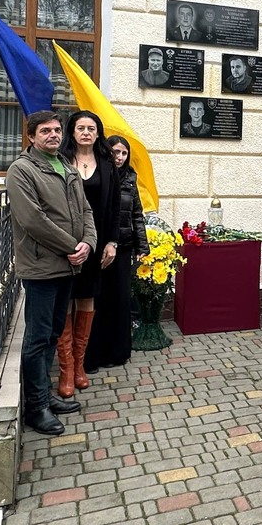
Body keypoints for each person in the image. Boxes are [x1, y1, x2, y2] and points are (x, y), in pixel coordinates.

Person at [5, 110, 94, 435]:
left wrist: (88, 242)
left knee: (54, 333)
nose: (54, 135)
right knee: (38, 337)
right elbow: (33, 219)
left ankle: (45, 397)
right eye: (45, 131)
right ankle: (36, 407)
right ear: (31, 136)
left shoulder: (66, 166)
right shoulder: (22, 170)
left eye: (57, 130)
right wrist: (72, 245)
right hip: (42, 266)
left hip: (67, 266)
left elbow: (85, 209)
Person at [58, 111, 120, 396]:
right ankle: (66, 370)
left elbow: (115, 207)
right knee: (65, 300)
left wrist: (112, 242)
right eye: (80, 127)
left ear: (98, 133)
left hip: (96, 244)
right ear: (72, 132)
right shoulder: (60, 160)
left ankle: (80, 366)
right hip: (64, 243)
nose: (86, 132)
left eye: (91, 128)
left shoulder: (107, 164)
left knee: (86, 298)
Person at [87, 135, 150, 369]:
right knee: (98, 299)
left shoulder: (130, 178)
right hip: (99, 247)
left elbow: (137, 214)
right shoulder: (98, 175)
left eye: (124, 153)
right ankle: (94, 353)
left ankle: (117, 352)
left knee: (120, 300)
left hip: (123, 247)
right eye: (115, 152)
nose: (120, 157)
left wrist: (142, 246)